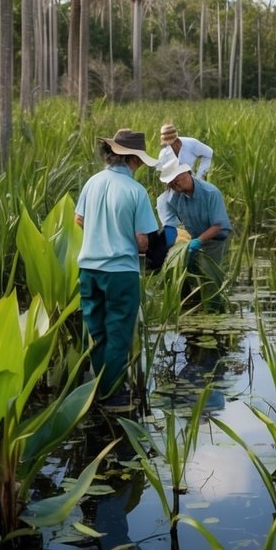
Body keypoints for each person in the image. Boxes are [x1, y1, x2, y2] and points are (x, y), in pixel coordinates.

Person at [75, 128, 159, 405]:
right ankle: (111, 395)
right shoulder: (136, 191)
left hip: (88, 269)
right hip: (121, 272)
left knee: (97, 334)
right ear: (132, 159)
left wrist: (100, 232)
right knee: (119, 336)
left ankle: (97, 390)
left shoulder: (92, 182)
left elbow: (79, 219)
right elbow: (143, 241)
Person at [158, 155, 232, 306]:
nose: (174, 186)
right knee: (179, 268)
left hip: (215, 239)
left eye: (176, 181)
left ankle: (214, 307)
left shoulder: (210, 193)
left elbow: (218, 225)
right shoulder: (174, 197)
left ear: (187, 174)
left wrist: (198, 241)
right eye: (170, 184)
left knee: (209, 276)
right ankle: (190, 303)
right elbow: (172, 223)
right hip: (193, 238)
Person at [157, 123, 214, 248]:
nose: (169, 145)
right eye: (167, 143)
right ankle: (172, 242)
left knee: (195, 212)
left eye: (171, 142)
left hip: (192, 184)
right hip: (175, 186)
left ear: (176, 139)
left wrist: (200, 175)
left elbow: (209, 153)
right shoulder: (164, 154)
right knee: (163, 203)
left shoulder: (191, 144)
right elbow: (164, 173)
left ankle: (200, 241)